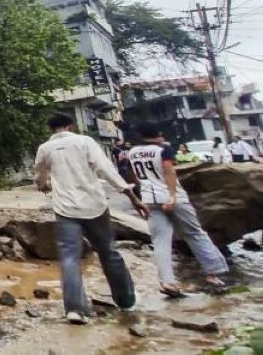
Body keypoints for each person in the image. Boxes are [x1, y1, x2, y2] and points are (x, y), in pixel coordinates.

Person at [34, 114, 149, 325]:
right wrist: (132, 196)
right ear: (71, 125)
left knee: (69, 258)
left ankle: (75, 310)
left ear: (51, 129)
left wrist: (42, 184)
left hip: (65, 209)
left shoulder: (45, 149)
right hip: (94, 206)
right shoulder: (85, 142)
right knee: (109, 252)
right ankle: (126, 300)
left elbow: (40, 175)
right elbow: (105, 170)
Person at [128, 123, 229, 295]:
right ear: (158, 135)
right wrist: (173, 196)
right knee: (195, 233)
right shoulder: (163, 150)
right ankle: (213, 274)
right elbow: (169, 172)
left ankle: (167, 282)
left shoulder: (132, 153)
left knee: (160, 241)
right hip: (171, 196)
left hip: (149, 199)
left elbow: (134, 177)